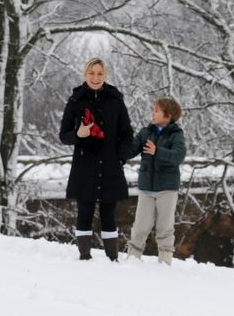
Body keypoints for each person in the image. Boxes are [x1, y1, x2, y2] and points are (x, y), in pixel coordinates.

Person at [58, 58, 134, 261]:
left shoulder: (116, 100)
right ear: (85, 74)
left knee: (109, 212)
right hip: (85, 165)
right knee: (84, 211)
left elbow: (127, 133)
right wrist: (78, 134)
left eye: (100, 73)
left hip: (110, 164)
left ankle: (112, 259)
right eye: (92, 73)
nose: (95, 77)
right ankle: (84, 258)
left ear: (105, 75)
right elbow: (63, 135)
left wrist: (121, 155)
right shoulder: (76, 101)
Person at [126, 97, 187, 264]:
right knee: (139, 226)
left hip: (167, 189)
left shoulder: (176, 135)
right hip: (146, 188)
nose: (153, 113)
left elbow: (178, 156)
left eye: (156, 111)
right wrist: (120, 142)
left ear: (168, 116)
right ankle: (132, 259)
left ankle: (165, 261)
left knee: (165, 228)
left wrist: (157, 151)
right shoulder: (146, 132)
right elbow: (130, 151)